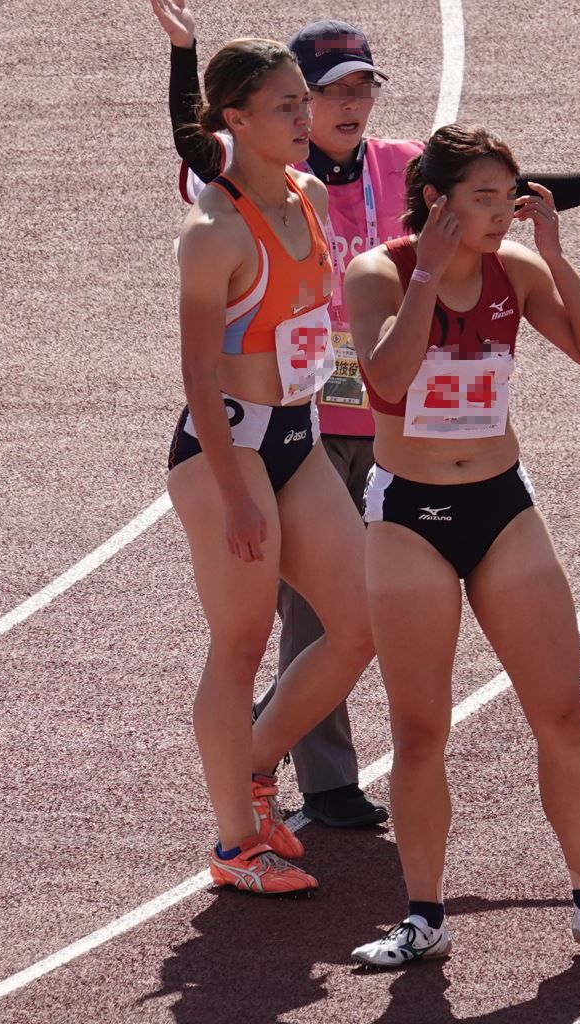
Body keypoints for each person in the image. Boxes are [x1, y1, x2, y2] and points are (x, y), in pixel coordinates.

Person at [151, 0, 580, 829]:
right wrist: (185, 55)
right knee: (278, 629)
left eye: (353, 89)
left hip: (355, 427)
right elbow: (198, 151)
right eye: (314, 94)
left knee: (352, 621)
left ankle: (253, 761)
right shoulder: (251, 198)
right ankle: (304, 792)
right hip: (299, 423)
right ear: (258, 113)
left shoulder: (388, 169)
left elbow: (493, 195)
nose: (336, 106)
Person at [343, 125, 580, 965]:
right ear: (436, 200)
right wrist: (426, 273)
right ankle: (422, 916)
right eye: (483, 198)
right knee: (420, 732)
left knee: (561, 713)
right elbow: (383, 380)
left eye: (508, 198)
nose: (500, 215)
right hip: (408, 516)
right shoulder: (377, 273)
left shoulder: (515, 270)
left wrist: (556, 256)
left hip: (501, 503)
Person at [168, 38, 374, 895]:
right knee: (242, 641)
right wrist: (234, 496)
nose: (305, 117)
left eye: (304, 102)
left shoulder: (312, 193)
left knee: (361, 625)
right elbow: (196, 373)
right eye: (286, 106)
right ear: (236, 121)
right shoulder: (211, 231)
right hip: (229, 447)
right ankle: (232, 846)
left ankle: (251, 764)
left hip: (298, 435)